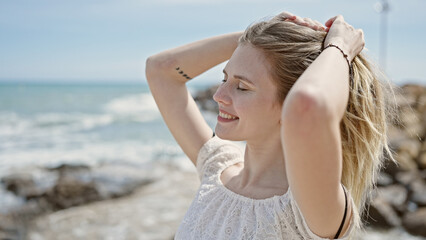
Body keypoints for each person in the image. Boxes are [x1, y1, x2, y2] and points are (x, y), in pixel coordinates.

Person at [145, 11, 394, 240]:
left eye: (242, 87)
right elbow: (161, 70)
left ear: (288, 107)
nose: (219, 95)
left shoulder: (310, 209)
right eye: (224, 78)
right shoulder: (216, 168)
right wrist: (258, 39)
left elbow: (308, 107)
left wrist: (341, 47)